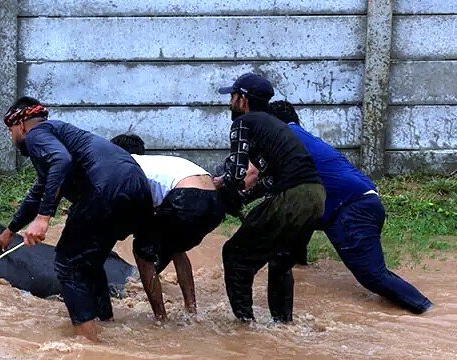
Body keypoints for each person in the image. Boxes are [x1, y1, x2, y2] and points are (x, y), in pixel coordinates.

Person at [0, 97, 153, 341]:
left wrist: (43, 218)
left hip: (105, 188)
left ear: (22, 125)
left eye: (11, 131)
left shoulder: (37, 134)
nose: (12, 137)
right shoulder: (59, 136)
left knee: (67, 264)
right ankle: (104, 323)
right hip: (137, 190)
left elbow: (61, 161)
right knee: (89, 263)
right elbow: (41, 190)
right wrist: (11, 229)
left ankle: (90, 345)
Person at [264, 100, 433, 314]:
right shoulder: (302, 138)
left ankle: (427, 310)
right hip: (360, 200)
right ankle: (299, 262)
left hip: (352, 209)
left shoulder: (285, 138)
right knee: (299, 214)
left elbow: (255, 175)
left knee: (373, 276)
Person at [213, 73, 325, 323]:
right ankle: (283, 325)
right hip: (316, 196)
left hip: (292, 196)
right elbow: (269, 179)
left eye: (232, 96)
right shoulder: (275, 126)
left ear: (242, 99)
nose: (229, 103)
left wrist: (223, 188)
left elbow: (237, 172)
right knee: (281, 260)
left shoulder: (244, 123)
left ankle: (245, 327)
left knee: (234, 255)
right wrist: (244, 198)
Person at [110, 133, 225, 319]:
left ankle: (160, 318)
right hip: (215, 202)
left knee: (141, 251)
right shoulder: (158, 162)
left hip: (186, 197)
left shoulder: (126, 163)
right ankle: (191, 310)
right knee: (175, 246)